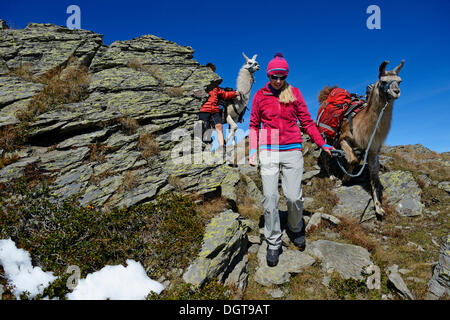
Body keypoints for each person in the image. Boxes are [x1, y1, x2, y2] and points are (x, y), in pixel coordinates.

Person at [248, 53, 334, 267]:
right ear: (268, 75)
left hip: (292, 149)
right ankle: (274, 242)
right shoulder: (259, 95)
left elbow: (307, 121)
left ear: (286, 76)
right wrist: (252, 151)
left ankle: (296, 229)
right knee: (270, 198)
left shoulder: (294, 93)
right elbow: (253, 124)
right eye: (274, 76)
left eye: (282, 77)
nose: (278, 81)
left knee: (294, 197)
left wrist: (322, 144)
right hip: (268, 150)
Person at [199, 63, 241, 147]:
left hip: (215, 110)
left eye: (213, 72)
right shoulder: (200, 84)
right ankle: (207, 148)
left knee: (219, 127)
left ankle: (222, 147)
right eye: (210, 71)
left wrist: (234, 93)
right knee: (207, 130)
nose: (212, 73)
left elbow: (224, 94)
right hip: (203, 110)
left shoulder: (215, 87)